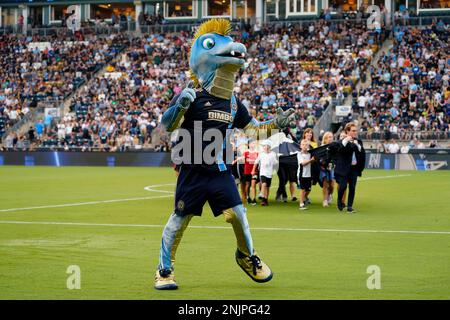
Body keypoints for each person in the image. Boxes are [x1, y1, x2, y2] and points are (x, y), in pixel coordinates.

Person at [155, 19, 296, 290]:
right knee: (178, 222)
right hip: (193, 170)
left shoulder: (233, 102)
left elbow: (253, 131)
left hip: (220, 170)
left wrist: (275, 125)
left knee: (239, 215)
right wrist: (180, 106)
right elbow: (168, 125)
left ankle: (246, 256)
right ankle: (164, 270)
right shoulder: (191, 94)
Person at [334, 122, 365, 213]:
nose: (355, 132)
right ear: (347, 131)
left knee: (352, 187)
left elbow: (361, 153)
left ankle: (350, 206)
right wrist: (346, 140)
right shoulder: (342, 141)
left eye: (356, 130)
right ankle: (339, 201)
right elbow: (340, 150)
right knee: (342, 186)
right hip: (344, 168)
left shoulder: (358, 141)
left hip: (354, 168)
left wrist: (358, 146)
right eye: (353, 131)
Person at [252, 140, 277, 206]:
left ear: (269, 147)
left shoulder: (273, 154)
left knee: (267, 187)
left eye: (266, 146)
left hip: (270, 173)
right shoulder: (261, 154)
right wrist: (253, 170)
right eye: (264, 146)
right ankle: (262, 195)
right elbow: (256, 162)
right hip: (262, 172)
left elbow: (275, 163)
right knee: (264, 184)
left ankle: (265, 200)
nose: (265, 147)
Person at [297, 139, 316, 210]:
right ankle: (301, 204)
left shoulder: (309, 154)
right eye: (303, 145)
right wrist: (311, 160)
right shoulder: (299, 154)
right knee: (303, 189)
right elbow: (303, 163)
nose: (305, 146)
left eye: (306, 145)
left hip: (309, 174)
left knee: (308, 189)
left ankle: (304, 198)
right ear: (300, 146)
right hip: (302, 174)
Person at [319, 132, 335, 207]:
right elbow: (318, 157)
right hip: (323, 168)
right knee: (325, 183)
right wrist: (322, 163)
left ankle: (330, 194)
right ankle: (325, 200)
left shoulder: (334, 146)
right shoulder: (322, 147)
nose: (330, 138)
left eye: (331, 137)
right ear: (325, 139)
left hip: (331, 167)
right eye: (329, 137)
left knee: (331, 185)